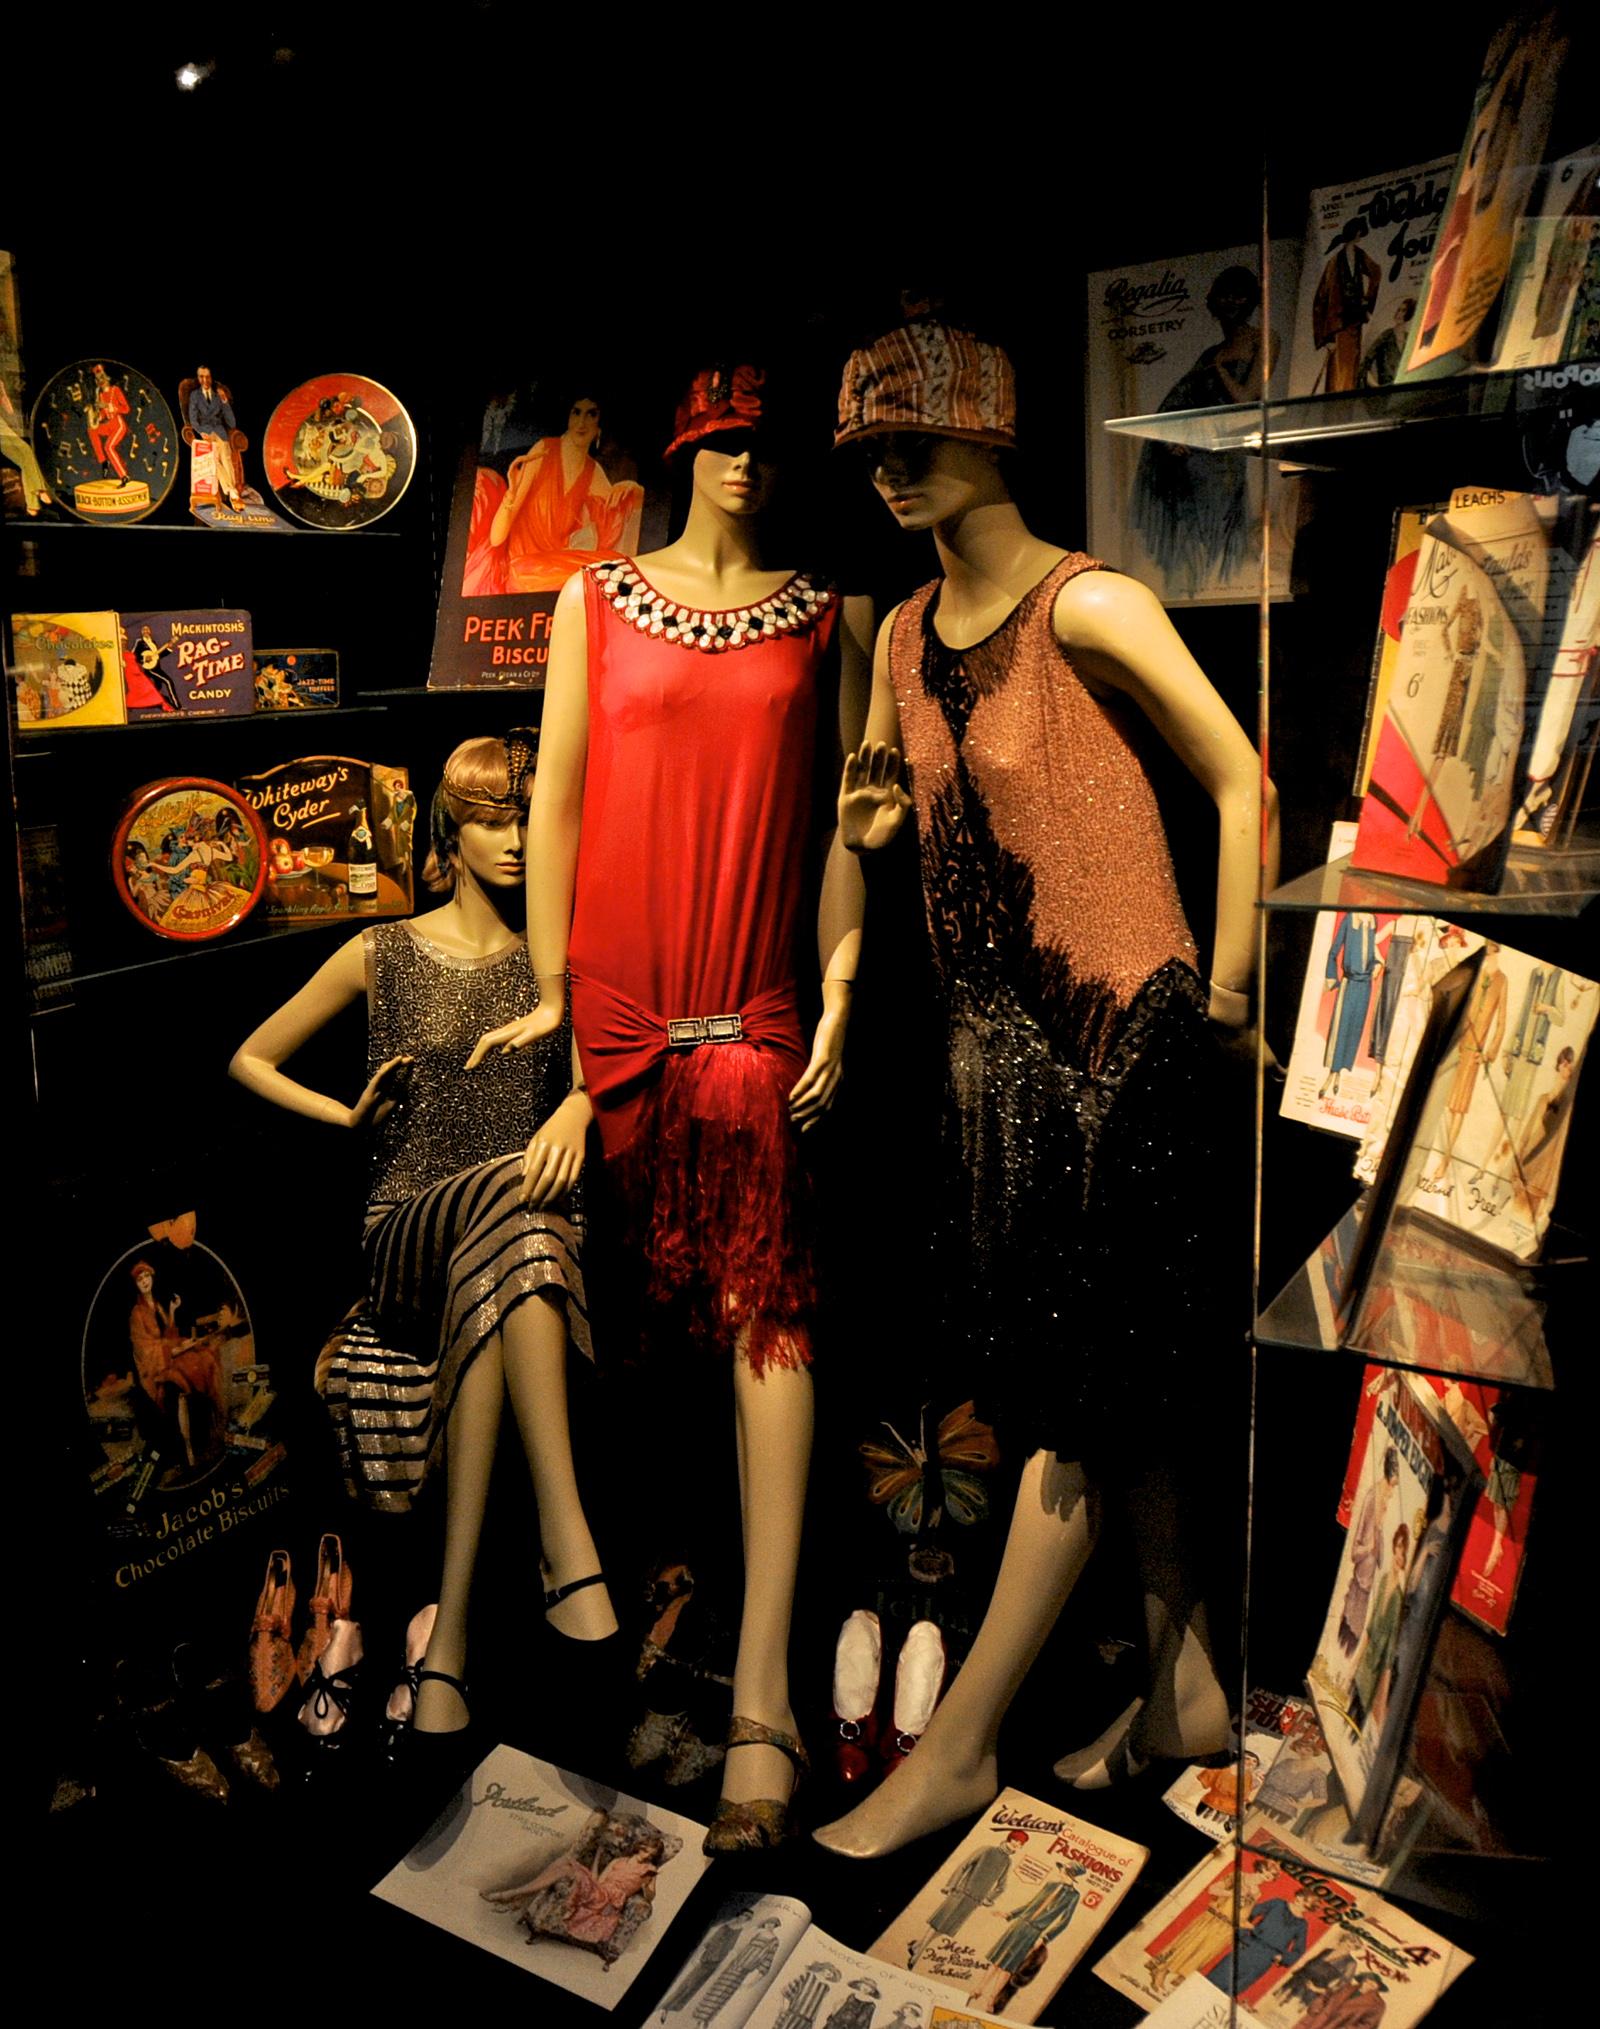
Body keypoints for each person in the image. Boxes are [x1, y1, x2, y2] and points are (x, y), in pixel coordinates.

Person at [816, 318, 1276, 1858]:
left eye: (916, 442)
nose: (892, 471)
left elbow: (1243, 779)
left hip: (1126, 1046)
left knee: (1079, 1400)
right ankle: (1184, 1688)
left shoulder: (1089, 602)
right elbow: (880, 805)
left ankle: (958, 1747)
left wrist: (1226, 999)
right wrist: (873, 836)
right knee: (1106, 1383)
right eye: (874, 451)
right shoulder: (898, 634)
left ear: (988, 435)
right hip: (995, 1065)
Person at [471, 362, 871, 1850]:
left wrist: (843, 989)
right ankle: (645, 1627)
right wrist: (552, 998)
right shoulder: (594, 600)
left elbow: (844, 831)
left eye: (764, 445)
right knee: (636, 1348)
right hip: (614, 1020)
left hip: (753, 1010)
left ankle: (765, 1693)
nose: (744, 466)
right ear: (684, 451)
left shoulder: (830, 617)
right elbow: (557, 802)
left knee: (770, 1318)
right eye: (720, 442)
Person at [230, 733, 611, 1738]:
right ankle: (566, 1540)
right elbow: (251, 1057)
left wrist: (581, 1102)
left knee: (515, 1241)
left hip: (518, 1243)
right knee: (516, 1201)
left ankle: (450, 1642)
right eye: (491, 819)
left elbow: (604, 1071)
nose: (516, 839)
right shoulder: (385, 951)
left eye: (527, 817)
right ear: (452, 829)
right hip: (408, 1232)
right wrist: (346, 1116)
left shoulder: (562, 963)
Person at [466, 394, 645, 595]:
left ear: (599, 426)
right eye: (576, 412)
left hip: (553, 563)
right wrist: (511, 494)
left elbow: (620, 516)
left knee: (617, 566)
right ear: (567, 417)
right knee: (603, 575)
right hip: (521, 567)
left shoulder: (593, 472)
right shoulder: (544, 450)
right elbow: (496, 538)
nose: (582, 422)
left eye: (591, 414)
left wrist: (633, 489)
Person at [186, 364, 245, 509]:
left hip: (219, 432)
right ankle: (232, 492)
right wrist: (201, 431)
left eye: (207, 377)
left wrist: (225, 402)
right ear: (198, 378)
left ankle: (231, 491)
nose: (205, 380)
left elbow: (231, 423)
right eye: (201, 377)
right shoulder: (195, 395)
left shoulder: (219, 396)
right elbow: (193, 419)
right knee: (214, 458)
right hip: (205, 432)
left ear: (211, 378)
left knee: (226, 457)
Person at [85, 363, 130, 483]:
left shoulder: (116, 390)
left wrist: (113, 407)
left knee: (108, 447)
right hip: (109, 425)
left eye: (102, 378)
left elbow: (126, 409)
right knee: (92, 430)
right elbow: (104, 414)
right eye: (98, 379)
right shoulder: (100, 395)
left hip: (118, 425)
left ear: (107, 378)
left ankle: (123, 476)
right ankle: (103, 461)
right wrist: (97, 417)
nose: (101, 381)